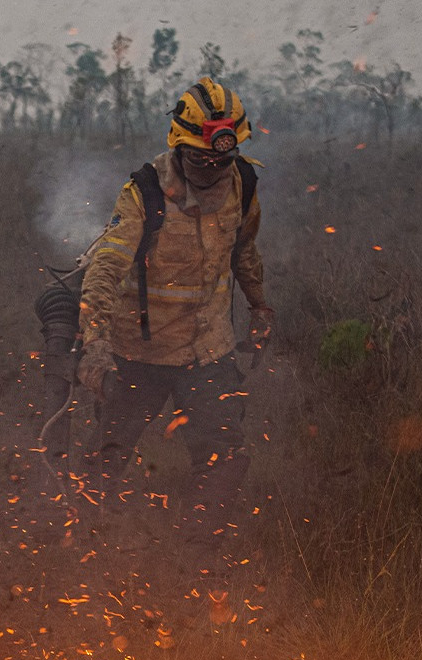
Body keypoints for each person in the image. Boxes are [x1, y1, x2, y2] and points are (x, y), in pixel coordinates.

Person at [75, 77, 274, 504]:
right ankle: (84, 548)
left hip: (207, 352)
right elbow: (105, 269)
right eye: (202, 162)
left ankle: (195, 558)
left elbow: (245, 251)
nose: (214, 172)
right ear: (179, 147)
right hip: (137, 356)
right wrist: (94, 345)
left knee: (225, 460)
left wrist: (260, 307)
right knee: (102, 466)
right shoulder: (143, 194)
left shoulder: (243, 186)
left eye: (223, 162)